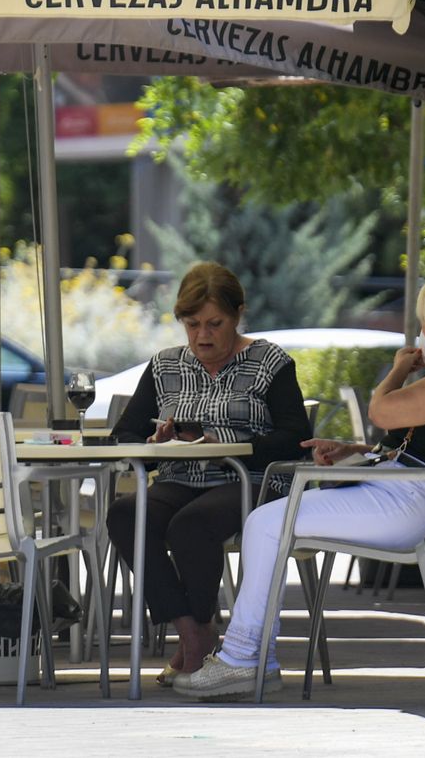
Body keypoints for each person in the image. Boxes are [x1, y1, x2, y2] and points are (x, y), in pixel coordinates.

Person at [175, 265, 425, 699]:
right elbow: (422, 450)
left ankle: (243, 658)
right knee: (271, 521)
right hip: (418, 497)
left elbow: (381, 411)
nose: (422, 336)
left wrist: (398, 370)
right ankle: (252, 659)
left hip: (411, 504)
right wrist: (355, 450)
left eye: (424, 327)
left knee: (266, 523)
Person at [107, 261, 311, 686]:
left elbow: (296, 436)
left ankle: (195, 638)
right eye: (192, 324)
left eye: (215, 324)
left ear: (238, 315)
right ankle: (194, 632)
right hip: (180, 478)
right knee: (125, 514)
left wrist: (228, 443)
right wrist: (156, 441)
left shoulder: (269, 361)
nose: (203, 335)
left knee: (191, 525)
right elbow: (123, 435)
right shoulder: (165, 365)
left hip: (249, 481)